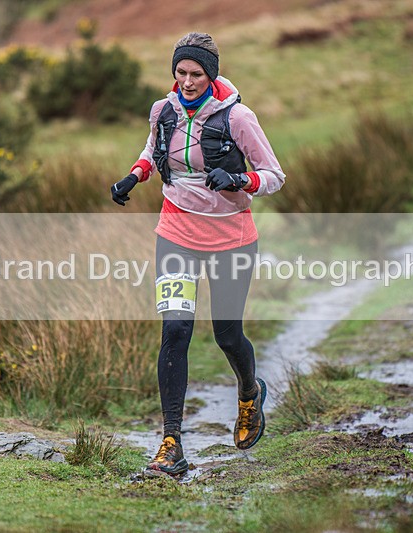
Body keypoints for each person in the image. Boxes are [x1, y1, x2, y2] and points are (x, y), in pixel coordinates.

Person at [110, 32, 285, 476]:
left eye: (196, 74)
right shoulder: (162, 110)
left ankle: (249, 393)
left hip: (231, 239)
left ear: (211, 75)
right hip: (175, 234)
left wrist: (240, 180)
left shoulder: (239, 117)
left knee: (227, 335)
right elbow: (153, 147)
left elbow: (274, 175)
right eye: (181, 73)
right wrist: (136, 174)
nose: (187, 82)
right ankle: (172, 441)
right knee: (176, 331)